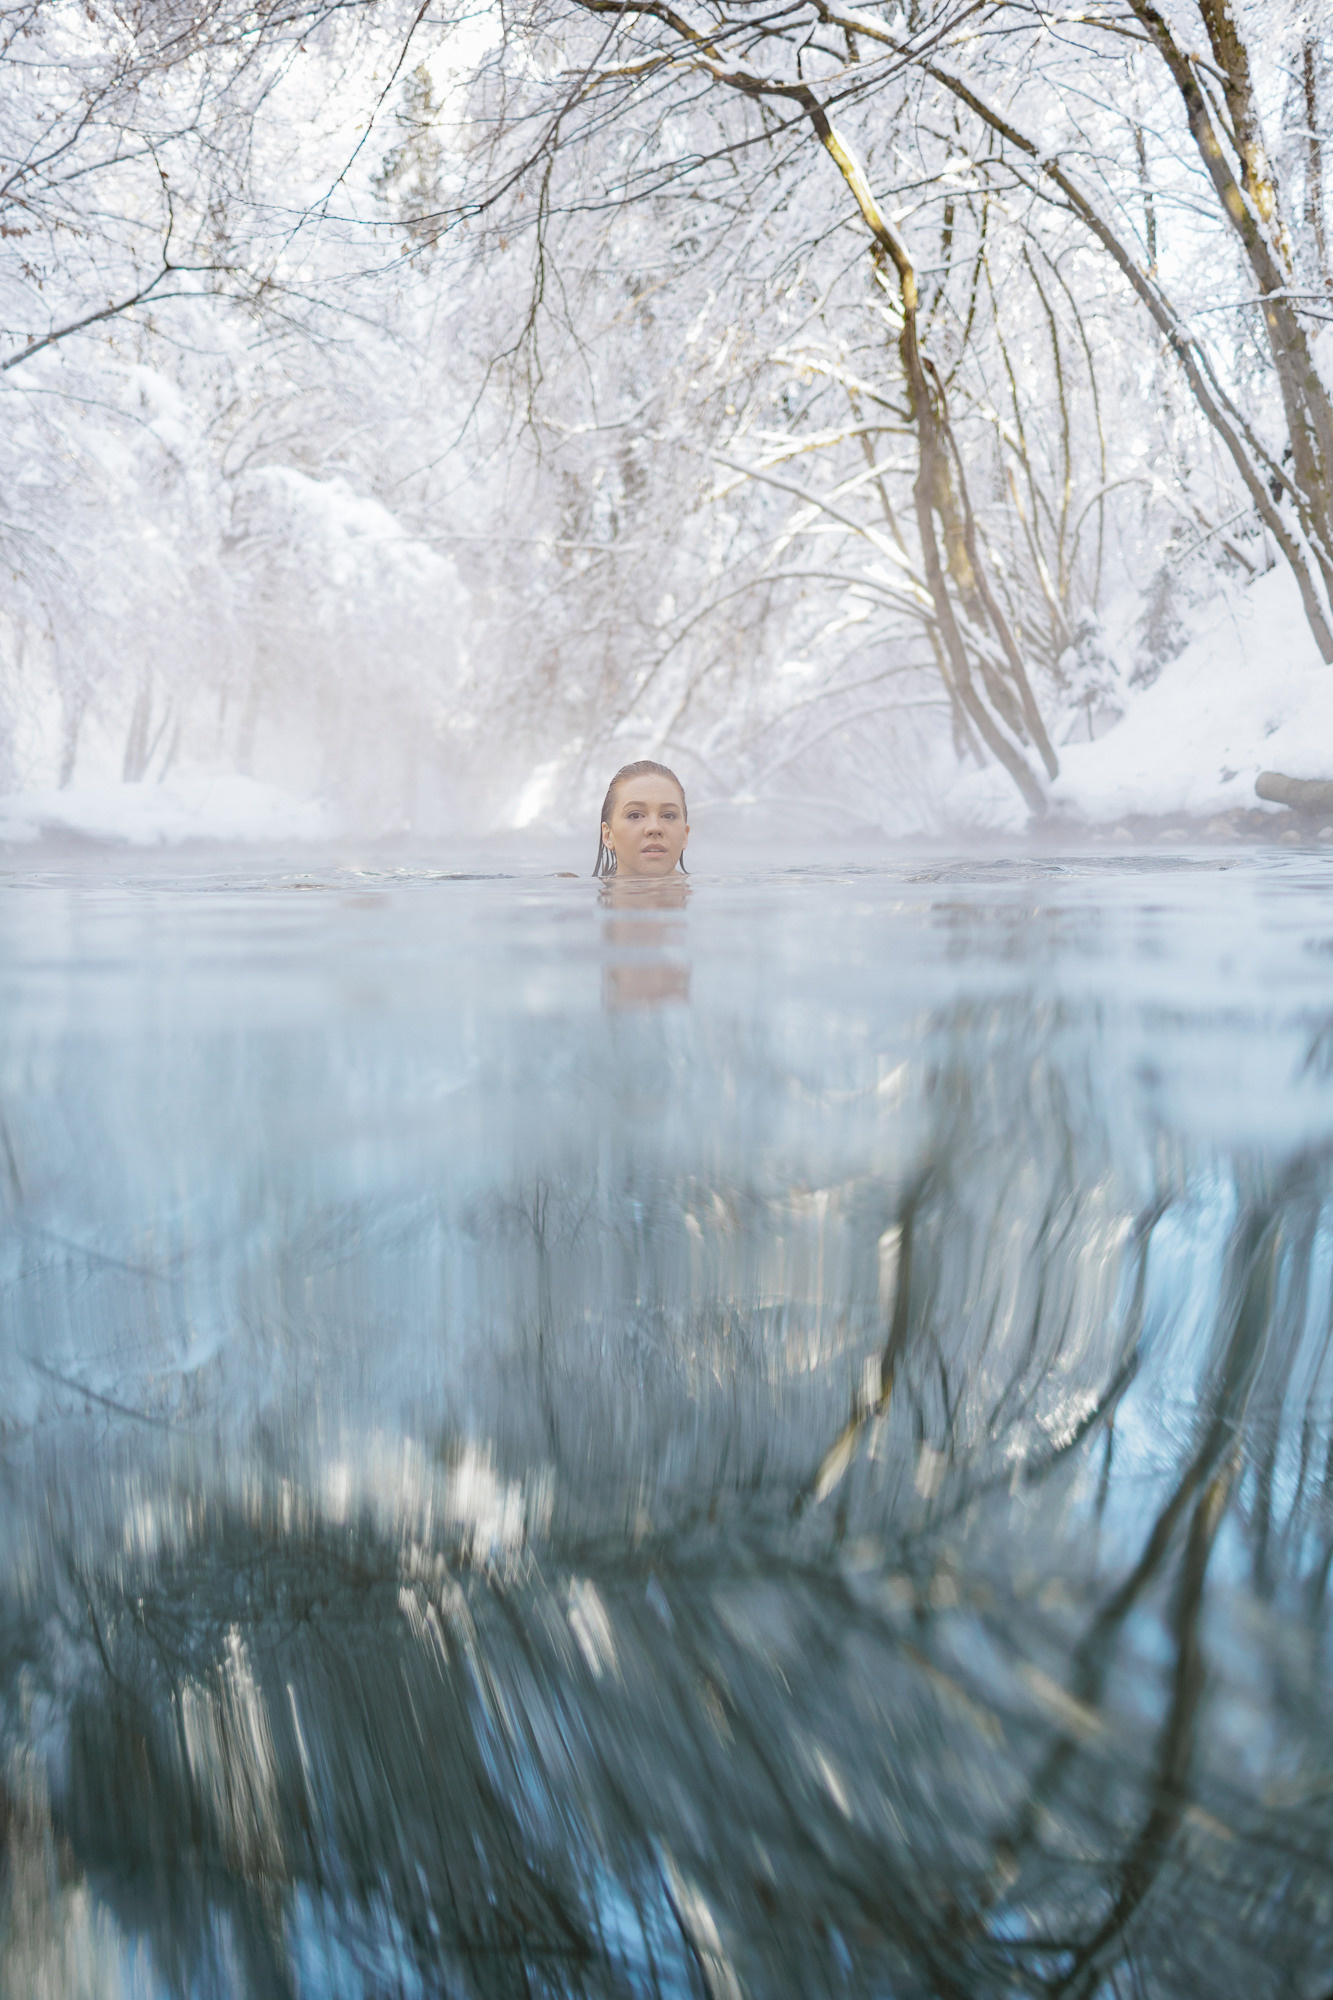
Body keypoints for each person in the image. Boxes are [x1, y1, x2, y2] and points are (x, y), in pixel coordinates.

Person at [592, 761, 690, 879]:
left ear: (685, 835)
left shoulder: (711, 888)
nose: (654, 827)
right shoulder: (570, 889)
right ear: (607, 835)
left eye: (668, 816)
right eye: (635, 815)